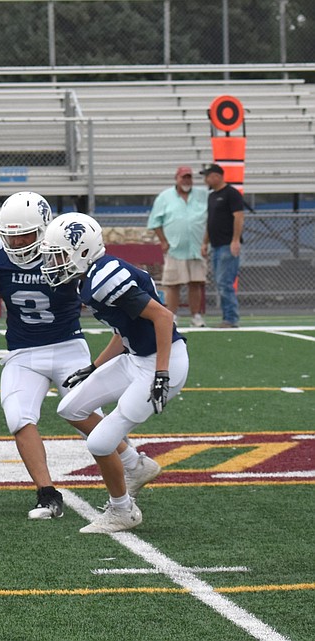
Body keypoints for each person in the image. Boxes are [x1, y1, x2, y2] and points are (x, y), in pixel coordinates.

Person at [0, 192, 161, 520]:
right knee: (18, 417)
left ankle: (134, 463)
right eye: (11, 235)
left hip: (68, 346)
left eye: (25, 234)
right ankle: (47, 493)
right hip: (22, 350)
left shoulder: (65, 252)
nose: (17, 242)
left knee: (85, 415)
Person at [40, 212, 189, 534]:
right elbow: (123, 331)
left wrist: (161, 374)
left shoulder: (105, 278)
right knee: (70, 407)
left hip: (163, 361)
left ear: (81, 251)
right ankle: (136, 466)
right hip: (136, 358)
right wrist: (94, 367)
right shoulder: (91, 278)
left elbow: (164, 318)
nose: (53, 262)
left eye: (59, 254)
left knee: (100, 442)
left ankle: (123, 511)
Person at [148, 166, 208, 328]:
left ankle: (196, 316)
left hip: (196, 248)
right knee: (173, 284)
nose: (187, 181)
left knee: (195, 283)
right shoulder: (165, 197)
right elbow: (155, 221)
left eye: (189, 177)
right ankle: (171, 316)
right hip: (175, 248)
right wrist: (163, 241)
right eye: (184, 177)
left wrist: (205, 242)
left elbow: (210, 220)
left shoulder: (202, 195)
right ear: (177, 178)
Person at [200, 163, 245, 328]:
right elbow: (210, 221)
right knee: (221, 282)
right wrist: (205, 242)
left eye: (207, 175)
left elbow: (238, 217)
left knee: (225, 281)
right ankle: (228, 317)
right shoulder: (212, 196)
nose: (205, 179)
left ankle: (231, 318)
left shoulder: (231, 193)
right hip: (216, 245)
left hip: (227, 244)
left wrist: (235, 239)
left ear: (217, 176)